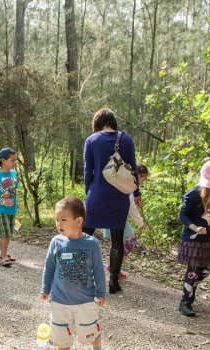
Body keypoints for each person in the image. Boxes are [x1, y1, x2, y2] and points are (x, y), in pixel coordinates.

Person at [82, 108, 141, 294]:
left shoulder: (91, 140)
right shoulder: (126, 139)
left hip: (96, 195)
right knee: (117, 241)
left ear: (97, 124)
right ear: (113, 122)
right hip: (119, 197)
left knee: (84, 237)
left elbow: (87, 171)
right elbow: (133, 169)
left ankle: (82, 277)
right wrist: (136, 192)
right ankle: (113, 282)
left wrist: (88, 194)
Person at [40, 196, 106, 350]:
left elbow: (98, 270)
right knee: (61, 339)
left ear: (78, 221)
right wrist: (45, 288)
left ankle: (97, 347)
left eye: (63, 220)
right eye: (57, 219)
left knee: (90, 332)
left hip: (86, 301)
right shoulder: (56, 242)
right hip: (59, 301)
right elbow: (49, 266)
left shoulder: (91, 244)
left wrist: (101, 292)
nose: (58, 224)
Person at [177, 159, 210, 317]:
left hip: (206, 240)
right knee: (192, 271)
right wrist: (194, 227)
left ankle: (189, 289)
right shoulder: (193, 193)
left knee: (205, 270)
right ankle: (185, 302)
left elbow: (207, 216)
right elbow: (183, 215)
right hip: (192, 239)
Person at [117, 164, 149, 280]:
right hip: (118, 219)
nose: (143, 182)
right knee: (130, 241)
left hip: (116, 218)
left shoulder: (125, 183)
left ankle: (116, 268)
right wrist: (140, 222)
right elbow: (131, 207)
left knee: (120, 244)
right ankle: (114, 267)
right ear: (139, 175)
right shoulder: (131, 186)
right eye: (143, 179)